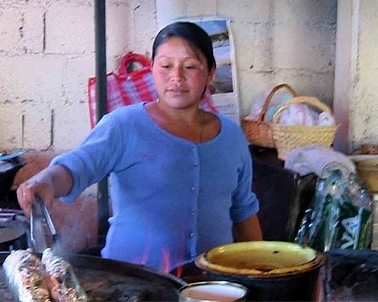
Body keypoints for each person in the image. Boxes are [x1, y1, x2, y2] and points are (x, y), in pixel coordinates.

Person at [17, 21, 262, 273]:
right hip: (132, 280)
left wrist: (259, 273)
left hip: (212, 283)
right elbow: (78, 166)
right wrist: (45, 181)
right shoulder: (124, 125)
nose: (176, 77)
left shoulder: (231, 136)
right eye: (166, 66)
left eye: (190, 66)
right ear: (153, 69)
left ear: (210, 73)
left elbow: (243, 209)